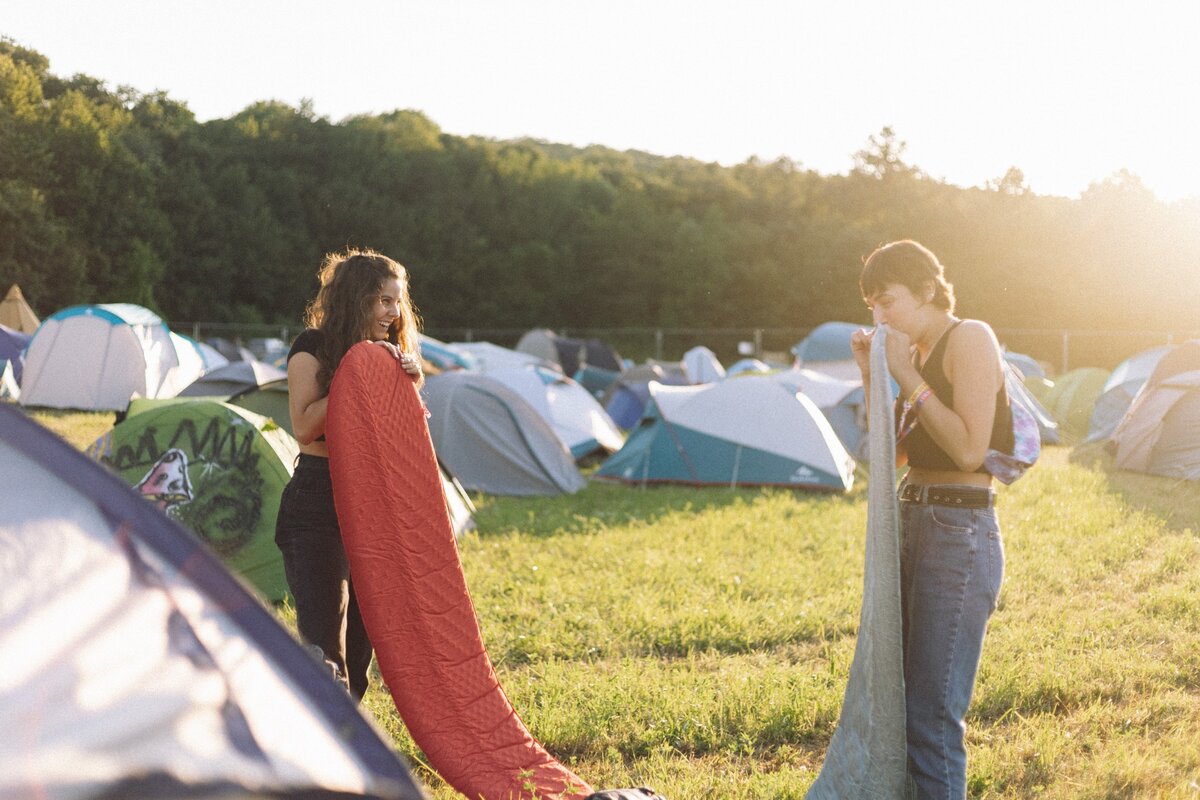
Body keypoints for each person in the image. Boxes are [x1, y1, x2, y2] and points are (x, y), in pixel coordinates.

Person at [850, 240, 1009, 800]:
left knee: (932, 715)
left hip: (957, 534)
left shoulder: (970, 338)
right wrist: (877, 380)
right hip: (913, 523)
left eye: (886, 301)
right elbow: (890, 457)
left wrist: (904, 376)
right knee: (901, 703)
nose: (879, 317)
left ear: (924, 291)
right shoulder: (913, 355)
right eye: (871, 305)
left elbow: (969, 450)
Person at [274, 248, 423, 701]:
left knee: (361, 647)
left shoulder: (390, 353)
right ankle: (315, 752)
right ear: (355, 299)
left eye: (396, 301)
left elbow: (400, 438)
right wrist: (355, 376)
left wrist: (407, 383)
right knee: (325, 646)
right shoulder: (311, 348)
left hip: (372, 503)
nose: (391, 312)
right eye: (381, 300)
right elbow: (304, 427)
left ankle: (350, 748)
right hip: (318, 501)